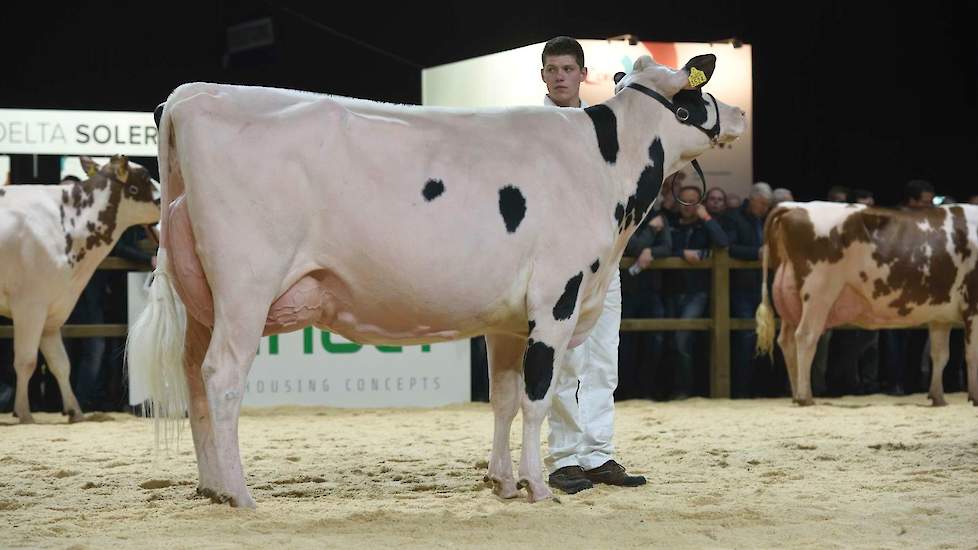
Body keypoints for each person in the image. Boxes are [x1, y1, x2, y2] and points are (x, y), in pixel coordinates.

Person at [539, 36, 645, 494]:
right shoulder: (532, 127)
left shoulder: (606, 124)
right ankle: (564, 458)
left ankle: (597, 453)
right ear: (543, 75)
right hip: (554, 262)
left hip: (605, 258)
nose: (560, 76)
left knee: (603, 360)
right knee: (564, 360)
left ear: (583, 74)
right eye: (552, 69)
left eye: (567, 68)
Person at [665, 185, 729, 399]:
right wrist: (681, 253)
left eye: (692, 201)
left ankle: (684, 390)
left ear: (699, 204)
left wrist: (707, 218)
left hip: (697, 292)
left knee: (682, 338)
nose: (687, 206)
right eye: (683, 201)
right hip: (671, 291)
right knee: (668, 340)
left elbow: (722, 242)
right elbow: (662, 248)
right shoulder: (670, 223)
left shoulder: (707, 225)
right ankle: (669, 389)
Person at [725, 182, 772, 397]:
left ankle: (763, 389)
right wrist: (756, 253)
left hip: (764, 288)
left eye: (766, 205)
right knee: (745, 337)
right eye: (761, 203)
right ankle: (740, 390)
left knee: (766, 338)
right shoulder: (734, 217)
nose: (763, 208)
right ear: (752, 199)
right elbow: (729, 247)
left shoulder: (767, 220)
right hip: (741, 287)